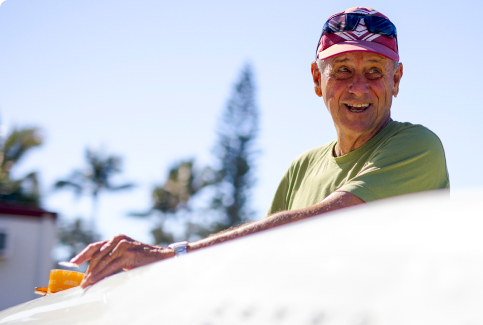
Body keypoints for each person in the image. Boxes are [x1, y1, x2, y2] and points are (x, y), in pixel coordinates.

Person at [71, 7, 450, 288]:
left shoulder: (417, 147)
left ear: (396, 80)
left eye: (374, 72)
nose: (359, 87)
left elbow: (328, 218)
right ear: (318, 79)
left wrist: (172, 256)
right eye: (343, 71)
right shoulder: (303, 167)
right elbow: (257, 262)